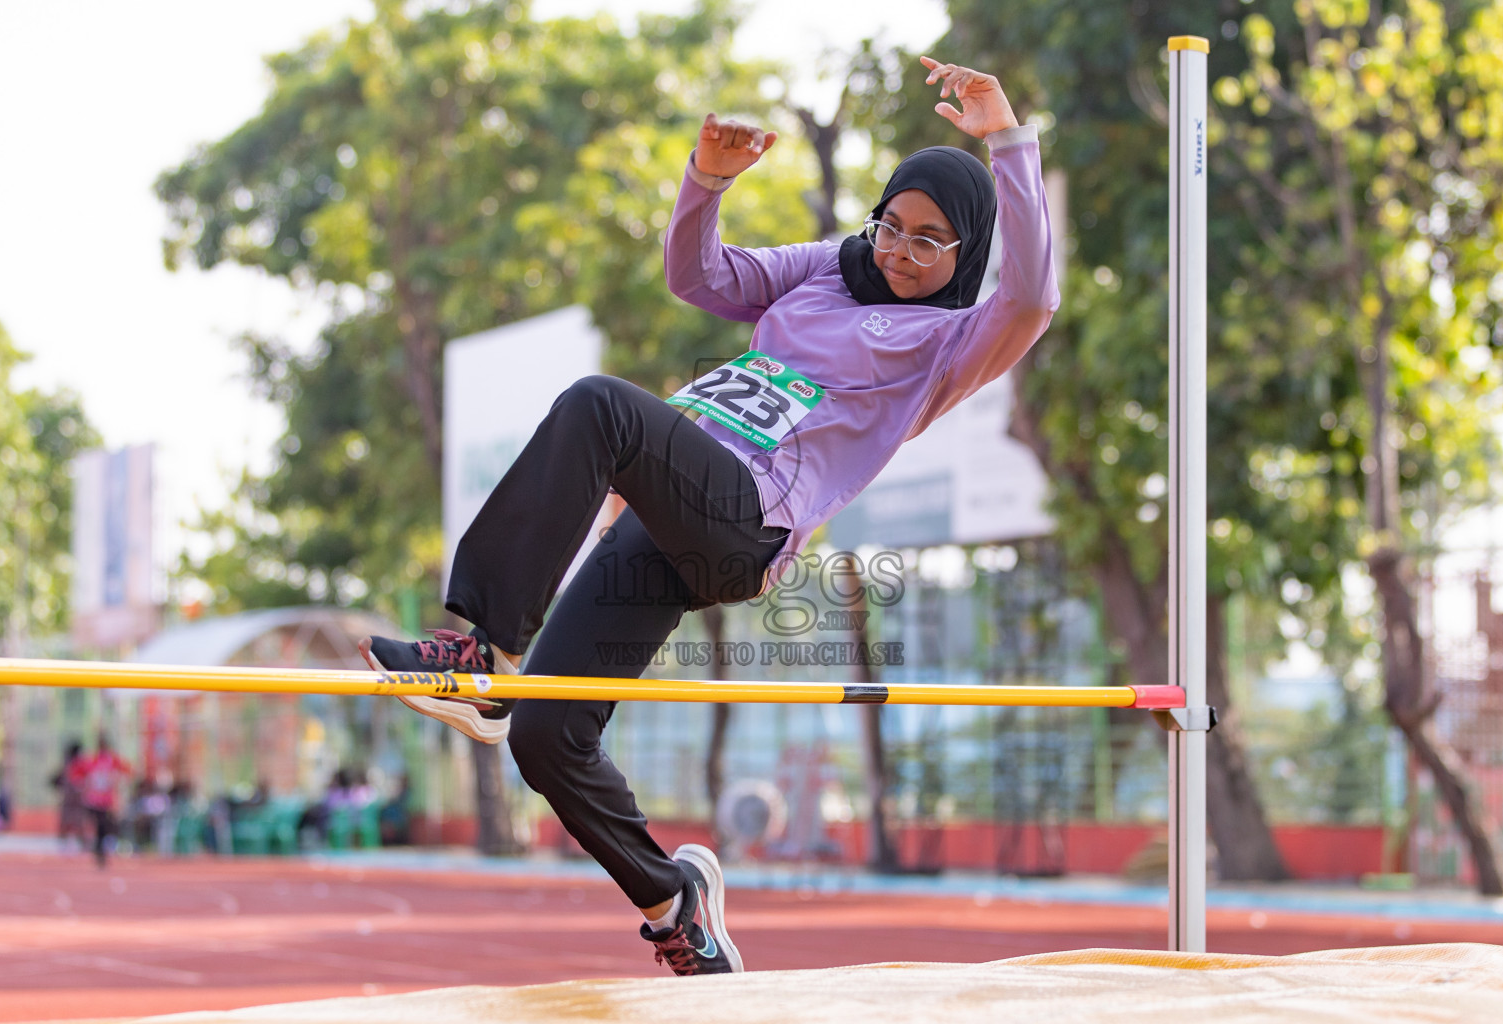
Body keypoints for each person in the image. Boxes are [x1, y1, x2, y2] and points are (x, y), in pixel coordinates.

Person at [361, 56, 1057, 975]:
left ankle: (483, 649)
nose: (901, 251)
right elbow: (702, 277)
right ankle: (675, 910)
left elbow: (1032, 298)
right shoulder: (827, 270)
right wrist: (708, 184)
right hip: (668, 514)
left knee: (599, 406)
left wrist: (1007, 139)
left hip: (746, 523)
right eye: (894, 224)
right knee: (546, 733)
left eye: (931, 243)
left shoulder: (946, 345)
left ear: (964, 255)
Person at [68, 734, 133, 868]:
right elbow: (76, 772)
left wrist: (118, 781)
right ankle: (98, 849)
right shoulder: (93, 761)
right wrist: (81, 784)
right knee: (98, 826)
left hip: (105, 801)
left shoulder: (110, 761)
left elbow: (128, 771)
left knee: (103, 827)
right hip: (94, 799)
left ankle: (100, 850)